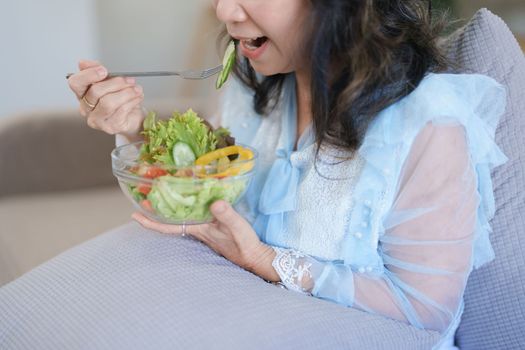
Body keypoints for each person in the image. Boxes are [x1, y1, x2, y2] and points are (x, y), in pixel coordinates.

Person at [67, 1, 507, 349]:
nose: (224, 11)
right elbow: (207, 187)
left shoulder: (426, 125)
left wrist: (265, 260)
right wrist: (133, 127)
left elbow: (425, 308)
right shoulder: (254, 88)